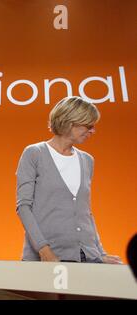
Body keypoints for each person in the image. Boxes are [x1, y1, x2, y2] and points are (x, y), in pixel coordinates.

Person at [16, 96, 121, 263]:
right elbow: (24, 207)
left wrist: (100, 253)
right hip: (48, 257)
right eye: (89, 126)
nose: (93, 131)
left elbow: (86, 212)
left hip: (87, 256)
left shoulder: (87, 160)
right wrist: (44, 250)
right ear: (70, 123)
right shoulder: (34, 153)